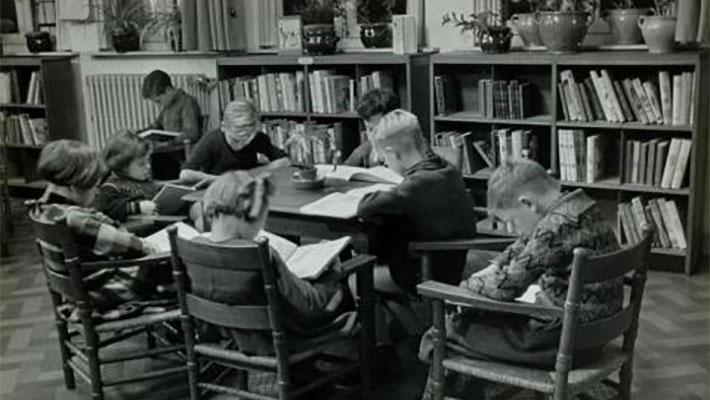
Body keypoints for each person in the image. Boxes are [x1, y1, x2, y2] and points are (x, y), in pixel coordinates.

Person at [418, 158, 623, 399]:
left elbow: (506, 289)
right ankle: (476, 389)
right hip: (596, 334)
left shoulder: (554, 228)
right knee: (480, 320)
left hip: (563, 342)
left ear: (527, 203)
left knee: (442, 333)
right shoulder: (579, 206)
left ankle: (456, 394)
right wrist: (497, 264)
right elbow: (526, 240)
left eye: (511, 222)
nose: (514, 230)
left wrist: (468, 283)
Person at [192, 171, 353, 355]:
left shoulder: (193, 245)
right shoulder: (262, 253)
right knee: (348, 281)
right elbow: (309, 304)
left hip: (229, 333)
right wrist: (331, 271)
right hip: (282, 336)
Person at [34, 140, 164, 317]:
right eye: (95, 187)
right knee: (174, 266)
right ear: (75, 186)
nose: (97, 193)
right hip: (100, 293)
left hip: (75, 292)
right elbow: (134, 246)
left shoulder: (43, 210)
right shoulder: (75, 219)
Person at [357, 109, 477, 296]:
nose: (386, 164)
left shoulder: (416, 185)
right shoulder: (446, 167)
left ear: (392, 152)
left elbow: (365, 207)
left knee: (354, 278)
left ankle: (385, 322)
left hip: (427, 271)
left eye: (385, 159)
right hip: (451, 261)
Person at [180, 99, 290, 188]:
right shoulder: (212, 140)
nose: (245, 134)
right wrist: (222, 180)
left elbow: (285, 161)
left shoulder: (257, 137)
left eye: (250, 126)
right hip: (217, 190)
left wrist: (253, 174)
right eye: (238, 128)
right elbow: (185, 174)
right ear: (224, 127)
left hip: (247, 189)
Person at [94, 130, 161, 222]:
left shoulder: (145, 181)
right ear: (122, 166)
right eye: (141, 164)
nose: (148, 166)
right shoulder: (111, 187)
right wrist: (137, 207)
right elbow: (106, 209)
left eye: (148, 161)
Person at [142, 69, 202, 144]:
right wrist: (140, 134)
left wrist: (170, 142)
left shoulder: (187, 102)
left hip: (181, 150)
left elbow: (192, 133)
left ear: (168, 90)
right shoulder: (168, 105)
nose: (158, 105)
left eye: (158, 101)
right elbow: (156, 125)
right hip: (170, 149)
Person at [344, 88, 398, 168]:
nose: (374, 135)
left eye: (380, 128)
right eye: (370, 129)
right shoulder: (365, 149)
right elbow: (343, 171)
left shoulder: (408, 149)